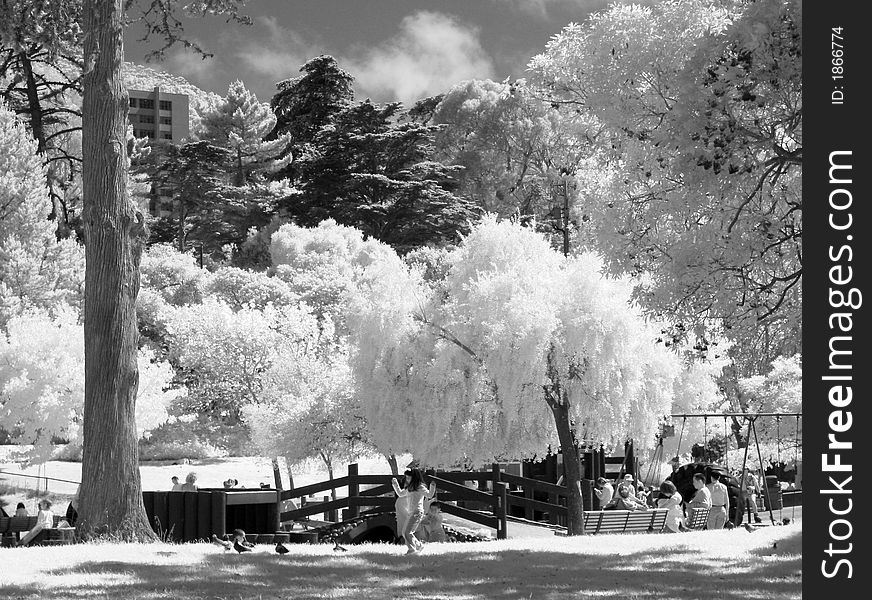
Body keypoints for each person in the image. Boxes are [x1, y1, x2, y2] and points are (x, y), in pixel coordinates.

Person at [391, 468, 435, 554]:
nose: (407, 480)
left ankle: (412, 549)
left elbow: (429, 495)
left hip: (417, 512)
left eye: (408, 478)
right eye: (406, 478)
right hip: (412, 512)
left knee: (407, 532)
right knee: (405, 532)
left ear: (414, 477)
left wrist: (432, 486)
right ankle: (418, 546)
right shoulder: (409, 488)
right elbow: (400, 494)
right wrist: (395, 484)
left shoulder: (420, 487)